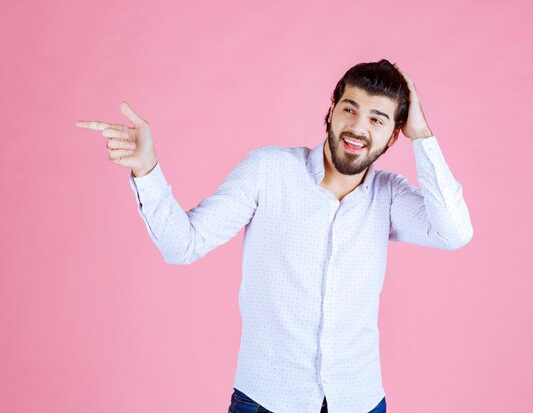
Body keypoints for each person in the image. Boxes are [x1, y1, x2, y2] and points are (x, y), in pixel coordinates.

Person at [75, 59, 473, 413]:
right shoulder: (269, 170)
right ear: (331, 111)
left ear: (393, 136)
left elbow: (454, 232)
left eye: (377, 119)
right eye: (350, 109)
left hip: (361, 401)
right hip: (266, 401)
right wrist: (147, 171)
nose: (357, 127)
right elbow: (183, 245)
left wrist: (422, 135)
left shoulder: (389, 197)